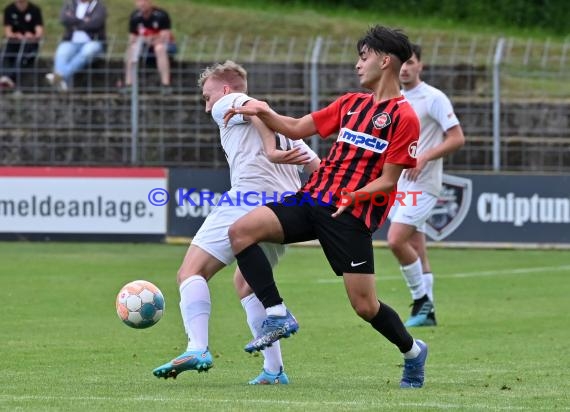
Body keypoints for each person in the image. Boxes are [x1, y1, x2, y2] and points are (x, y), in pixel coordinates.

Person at [224, 25, 429, 389]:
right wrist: (260, 109)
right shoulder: (350, 103)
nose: (357, 65)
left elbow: (389, 179)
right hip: (311, 200)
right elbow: (296, 126)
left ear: (385, 61)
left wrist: (356, 195)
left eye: (363, 57)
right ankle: (276, 314)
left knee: (365, 306)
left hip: (348, 215)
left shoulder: (404, 117)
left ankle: (413, 352)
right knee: (241, 231)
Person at [152, 60, 321, 384]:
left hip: (247, 202)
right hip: (284, 212)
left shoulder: (227, 103)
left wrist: (269, 151)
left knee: (191, 272)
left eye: (207, 96)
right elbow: (318, 168)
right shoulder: (285, 127)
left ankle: (197, 346)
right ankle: (274, 371)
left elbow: (255, 107)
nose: (207, 106)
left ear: (225, 89)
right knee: (247, 284)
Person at [386, 43, 465, 327]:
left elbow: (457, 138)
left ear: (421, 66)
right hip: (399, 185)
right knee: (417, 246)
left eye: (410, 63)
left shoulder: (434, 98)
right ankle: (427, 314)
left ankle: (422, 301)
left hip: (424, 183)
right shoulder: (395, 99)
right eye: (401, 64)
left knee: (396, 240)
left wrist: (424, 157)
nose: (405, 68)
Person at [46, 0, 107, 92]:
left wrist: (75, 23)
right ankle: (63, 84)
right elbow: (64, 19)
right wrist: (84, 21)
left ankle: (60, 76)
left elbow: (96, 23)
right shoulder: (70, 4)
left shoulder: (98, 6)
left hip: (92, 41)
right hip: (71, 41)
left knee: (88, 52)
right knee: (61, 53)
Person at [124, 0, 176, 95]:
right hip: (145, 46)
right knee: (132, 49)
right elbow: (132, 38)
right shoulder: (135, 17)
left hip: (165, 46)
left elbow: (164, 37)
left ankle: (166, 84)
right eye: (139, 1)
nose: (142, 4)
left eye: (144, 1)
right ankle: (129, 84)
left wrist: (147, 39)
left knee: (159, 48)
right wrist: (146, 39)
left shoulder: (161, 15)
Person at [0, 0, 43, 91]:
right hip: (15, 42)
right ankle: (5, 77)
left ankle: (9, 78)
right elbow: (8, 32)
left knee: (24, 56)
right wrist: (16, 35)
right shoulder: (9, 9)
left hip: (30, 43)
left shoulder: (35, 10)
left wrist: (32, 36)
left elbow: (39, 32)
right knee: (5, 53)